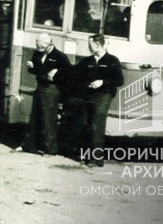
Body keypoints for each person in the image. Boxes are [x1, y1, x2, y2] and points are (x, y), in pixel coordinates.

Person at [76, 34, 124, 167]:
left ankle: (96, 159)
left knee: (97, 123)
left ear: (97, 45)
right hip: (88, 95)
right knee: (87, 123)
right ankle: (86, 155)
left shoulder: (112, 60)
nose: (88, 47)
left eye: (89, 44)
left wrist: (102, 82)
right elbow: (76, 74)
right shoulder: (87, 61)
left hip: (104, 95)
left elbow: (119, 80)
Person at [22, 33, 71, 155]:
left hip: (51, 89)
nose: (40, 50)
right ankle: (31, 146)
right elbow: (35, 70)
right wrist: (32, 67)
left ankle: (50, 149)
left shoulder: (60, 57)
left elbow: (69, 73)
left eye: (43, 48)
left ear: (49, 45)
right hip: (40, 87)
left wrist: (57, 72)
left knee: (48, 119)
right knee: (35, 117)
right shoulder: (37, 53)